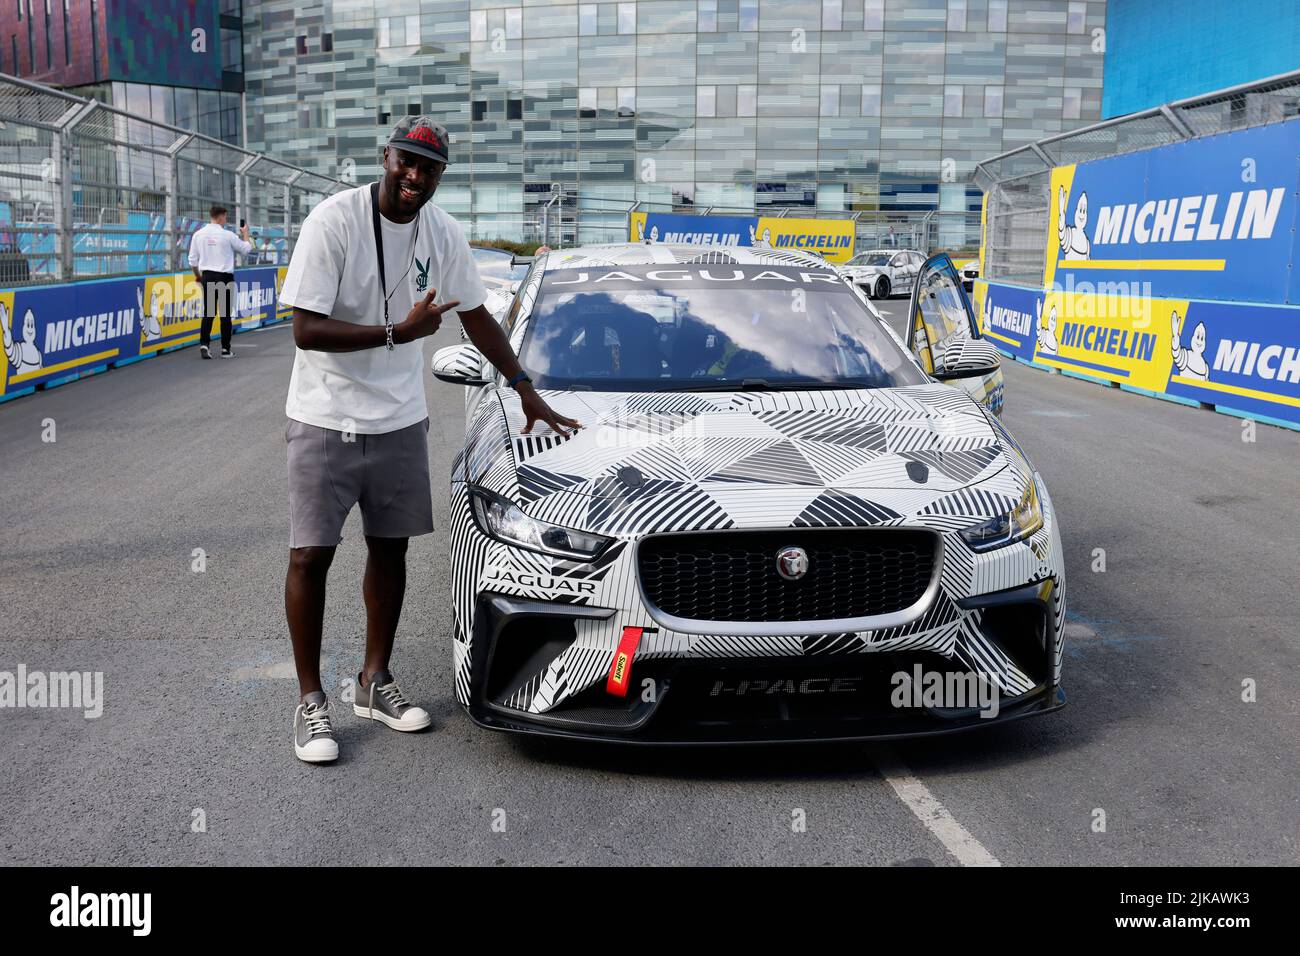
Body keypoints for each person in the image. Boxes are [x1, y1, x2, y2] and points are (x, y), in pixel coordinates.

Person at [278, 115, 580, 764]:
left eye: (429, 168)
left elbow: (474, 315)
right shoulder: (333, 221)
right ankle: (310, 702)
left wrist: (523, 384)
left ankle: (373, 680)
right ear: (385, 158)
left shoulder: (441, 233)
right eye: (406, 162)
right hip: (324, 415)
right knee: (311, 557)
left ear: (441, 177)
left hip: (398, 421)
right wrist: (397, 332)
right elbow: (305, 329)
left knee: (390, 553)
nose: (415, 176)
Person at [188, 204, 253, 358]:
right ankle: (225, 349)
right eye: (225, 216)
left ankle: (204, 344)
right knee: (225, 315)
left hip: (208, 275)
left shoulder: (198, 234)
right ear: (221, 216)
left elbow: (192, 261)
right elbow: (246, 249)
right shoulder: (227, 235)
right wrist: (245, 234)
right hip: (224, 277)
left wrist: (198, 276)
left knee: (208, 313)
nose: (226, 219)